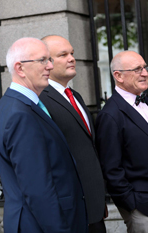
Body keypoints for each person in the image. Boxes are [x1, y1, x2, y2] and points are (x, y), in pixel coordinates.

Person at [0, 37, 87, 232]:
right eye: (43, 60)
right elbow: (38, 188)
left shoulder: (14, 104)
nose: (50, 66)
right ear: (20, 69)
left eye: (49, 60)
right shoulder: (20, 113)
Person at [95, 50, 148, 233]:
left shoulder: (147, 102)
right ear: (118, 76)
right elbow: (110, 168)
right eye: (137, 69)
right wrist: (132, 204)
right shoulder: (110, 115)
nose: (144, 73)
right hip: (141, 205)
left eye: (144, 67)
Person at [39, 35, 107, 232]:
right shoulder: (41, 99)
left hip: (93, 208)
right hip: (71, 211)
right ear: (47, 62)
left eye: (72, 53)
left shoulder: (74, 96)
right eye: (63, 55)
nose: (71, 58)